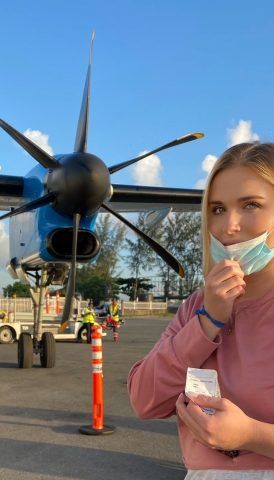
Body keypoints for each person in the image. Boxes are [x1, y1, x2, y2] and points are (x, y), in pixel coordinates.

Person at [128, 142, 274, 479]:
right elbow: (145, 400)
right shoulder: (198, 306)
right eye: (218, 208)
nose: (229, 226)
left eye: (251, 204)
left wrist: (251, 435)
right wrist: (207, 322)